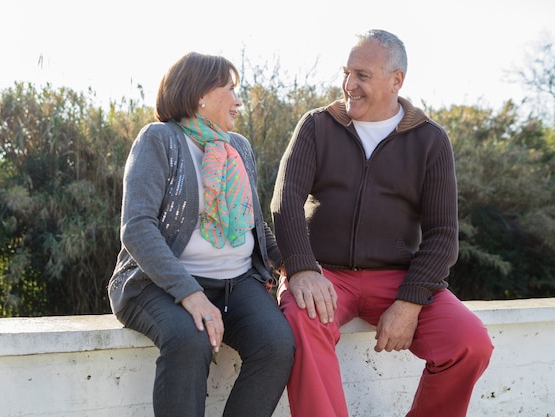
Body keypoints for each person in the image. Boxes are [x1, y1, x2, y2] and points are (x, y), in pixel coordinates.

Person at [271, 29, 493, 417]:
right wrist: (302, 270)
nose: (348, 85)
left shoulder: (430, 140)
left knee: (469, 343)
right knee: (301, 323)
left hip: (398, 280)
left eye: (362, 75)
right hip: (324, 274)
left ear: (396, 81)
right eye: (346, 73)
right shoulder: (317, 126)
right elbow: (285, 201)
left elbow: (442, 234)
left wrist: (409, 301)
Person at [107, 52, 294, 417]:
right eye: (231, 89)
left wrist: (296, 265)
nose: (240, 100)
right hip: (156, 285)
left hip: (238, 283)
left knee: (277, 344)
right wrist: (190, 294)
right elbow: (138, 228)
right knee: (189, 341)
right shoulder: (159, 140)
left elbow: (254, 223)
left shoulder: (238, 147)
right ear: (200, 96)